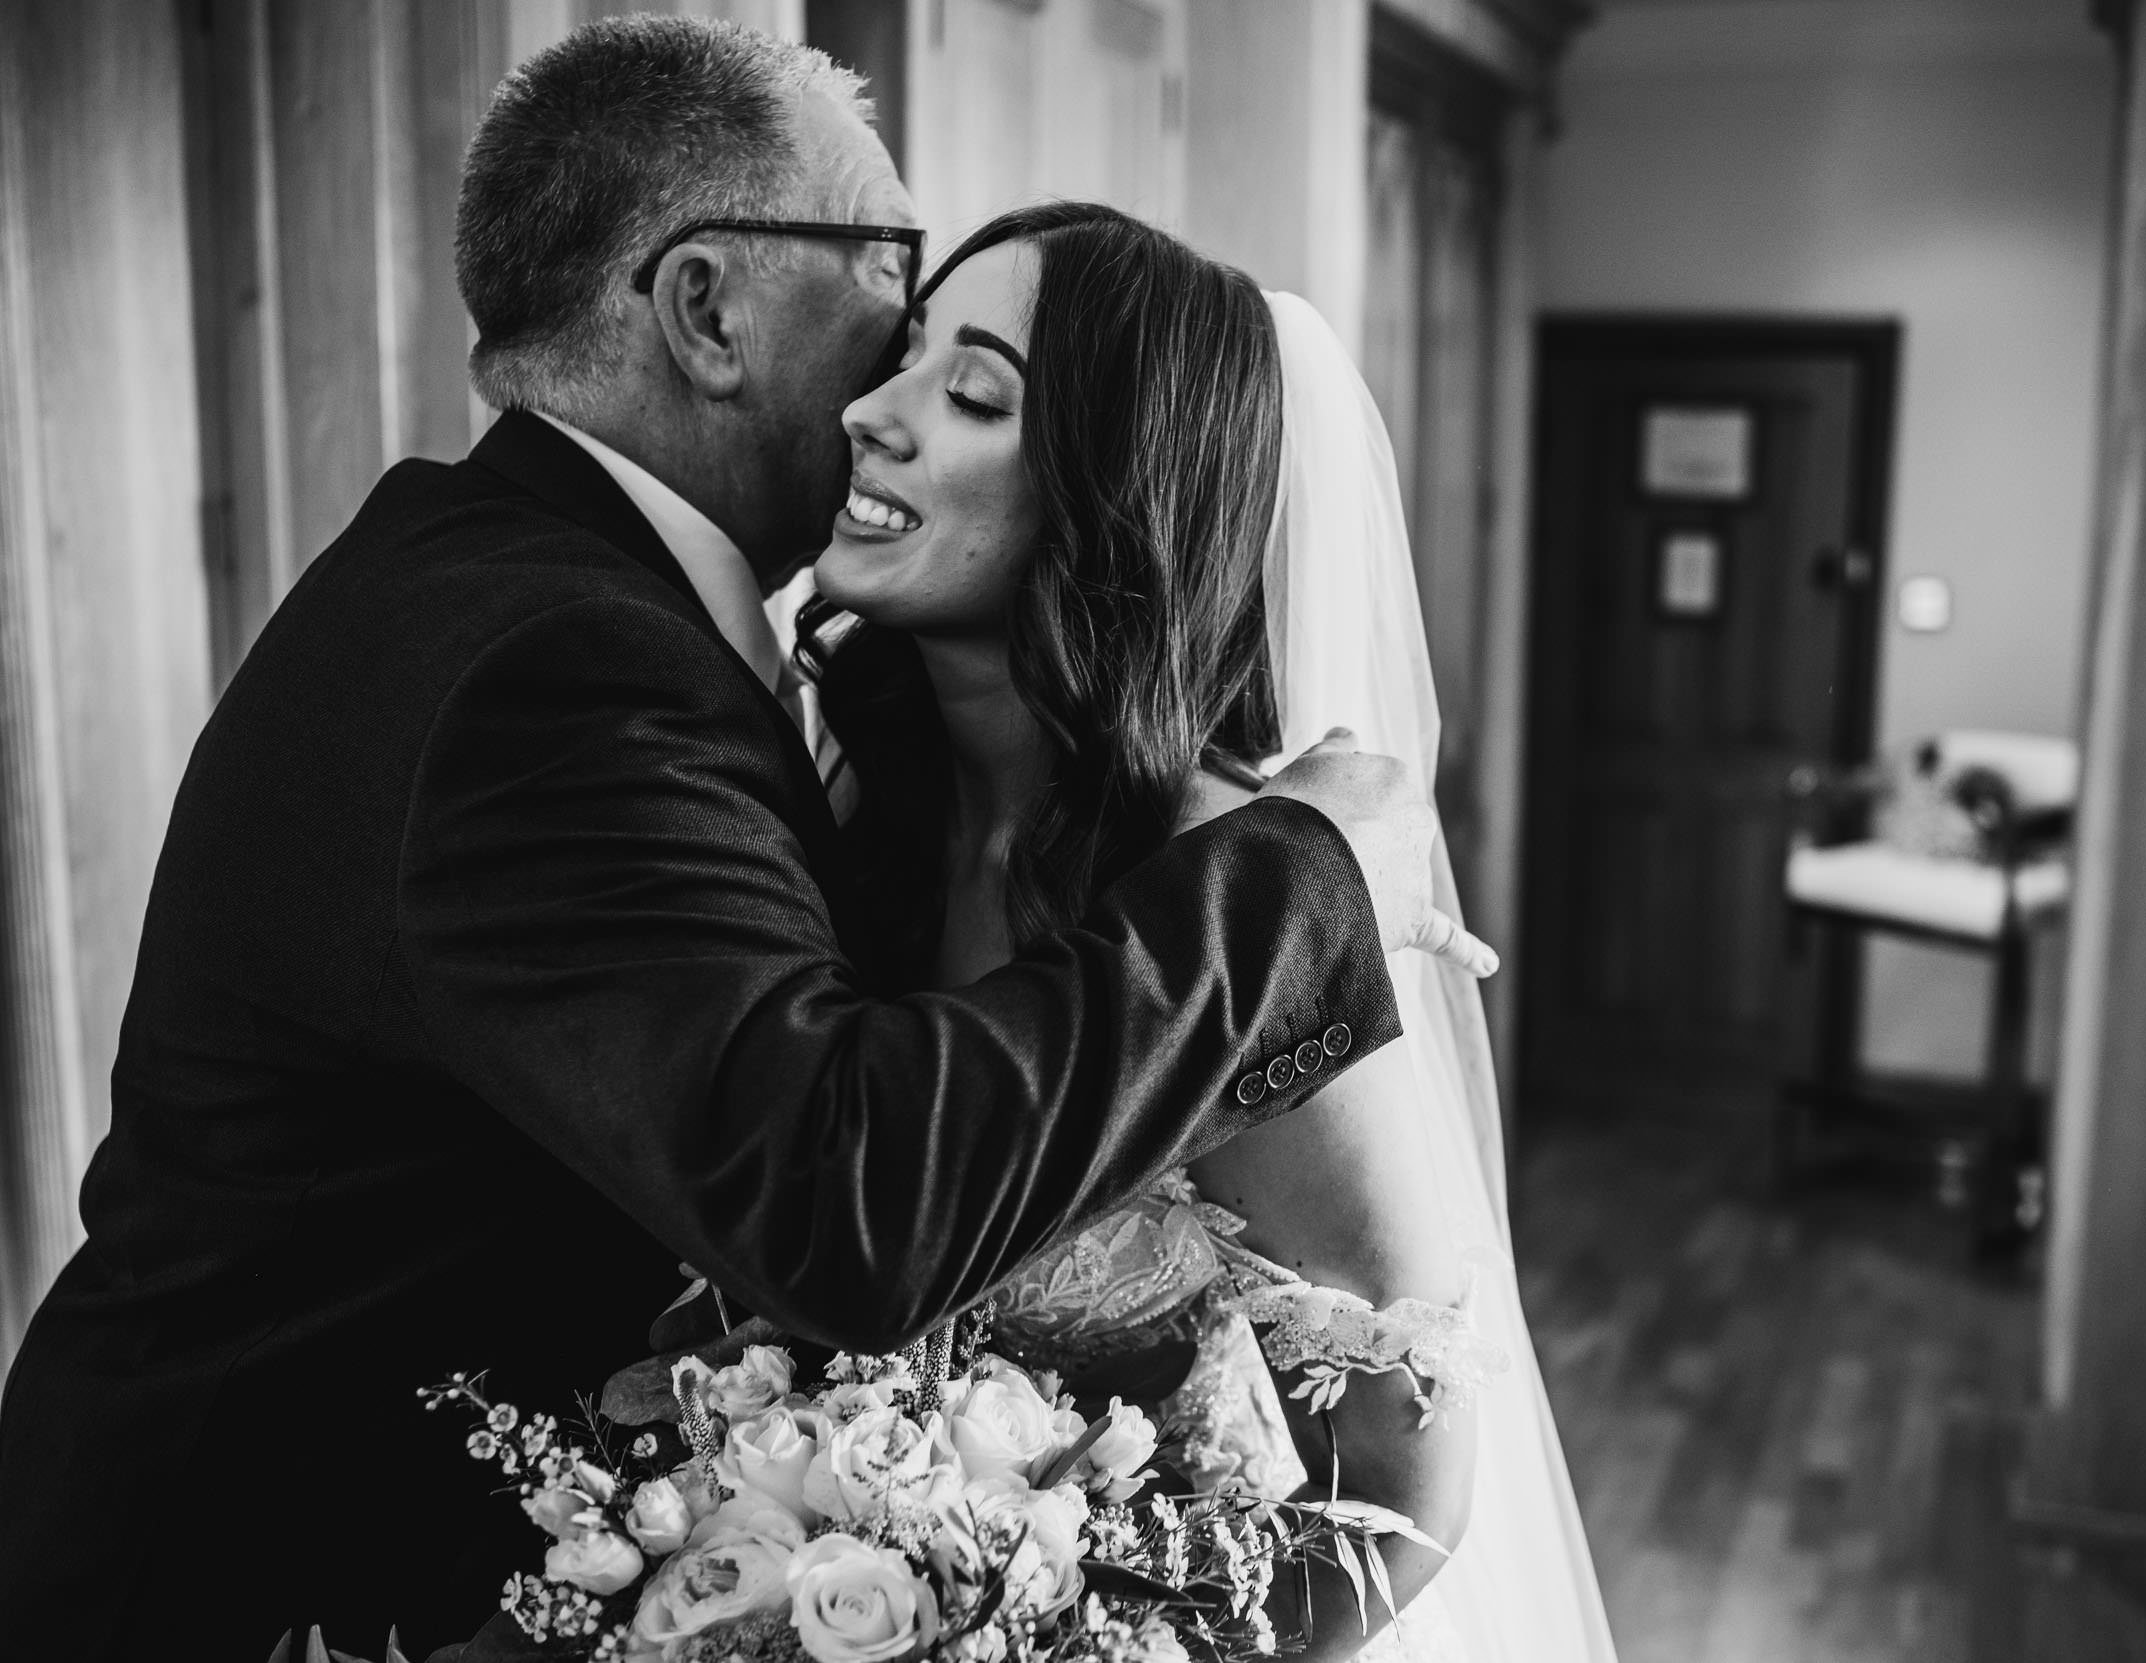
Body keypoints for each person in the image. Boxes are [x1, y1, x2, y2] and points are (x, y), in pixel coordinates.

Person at [0, 21, 1488, 1659]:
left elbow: (1405, 1440)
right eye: (892, 293)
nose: (885, 403)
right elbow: (842, 1200)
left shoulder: (579, 628)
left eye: (966, 378)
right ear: (709, 308)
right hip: (247, 1596)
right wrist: (1305, 878)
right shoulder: (577, 674)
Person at [804, 202, 1619, 1662]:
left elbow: (1411, 1482)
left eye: (974, 391)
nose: (869, 412)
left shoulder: (1234, 879)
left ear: (1114, 491)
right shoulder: (848, 795)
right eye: (902, 357)